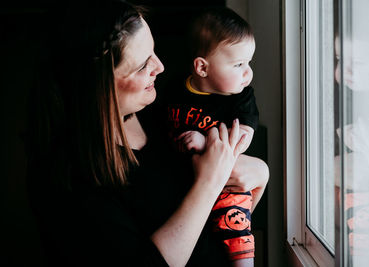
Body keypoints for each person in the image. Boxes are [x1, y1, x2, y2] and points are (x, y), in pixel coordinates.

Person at [25, 1, 269, 266]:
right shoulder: (68, 180)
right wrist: (210, 181)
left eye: (153, 51)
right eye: (142, 66)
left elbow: (212, 229)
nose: (160, 67)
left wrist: (260, 174)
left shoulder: (160, 116)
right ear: (98, 86)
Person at [162, 7, 260, 266]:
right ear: (202, 67)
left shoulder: (241, 98)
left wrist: (206, 142)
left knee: (236, 227)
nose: (248, 73)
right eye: (238, 64)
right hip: (185, 187)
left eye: (248, 63)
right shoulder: (173, 90)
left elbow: (241, 141)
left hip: (227, 184)